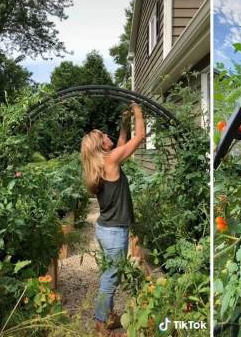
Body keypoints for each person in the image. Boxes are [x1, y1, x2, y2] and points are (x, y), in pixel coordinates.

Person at [80, 103, 145, 336]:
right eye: (103, 136)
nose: (108, 137)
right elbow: (140, 137)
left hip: (104, 229)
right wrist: (138, 110)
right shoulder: (111, 161)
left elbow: (121, 143)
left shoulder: (101, 164)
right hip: (115, 232)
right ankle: (100, 325)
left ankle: (107, 317)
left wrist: (124, 122)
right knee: (111, 279)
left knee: (109, 274)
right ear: (100, 145)